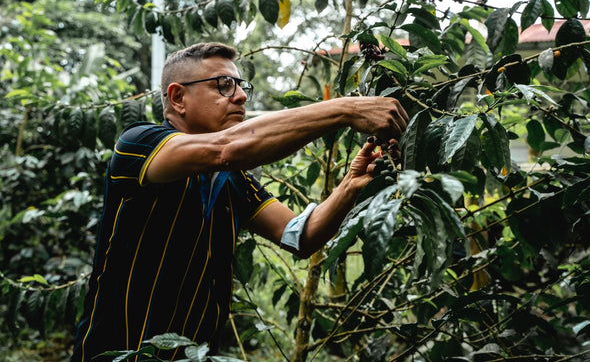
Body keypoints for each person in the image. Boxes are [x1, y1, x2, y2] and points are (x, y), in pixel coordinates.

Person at [70, 42, 409, 361]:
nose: (241, 97)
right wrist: (345, 109)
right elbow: (227, 149)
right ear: (178, 99)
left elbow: (299, 235)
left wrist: (351, 183)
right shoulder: (138, 145)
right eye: (223, 85)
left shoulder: (231, 180)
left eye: (241, 86)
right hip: (117, 354)